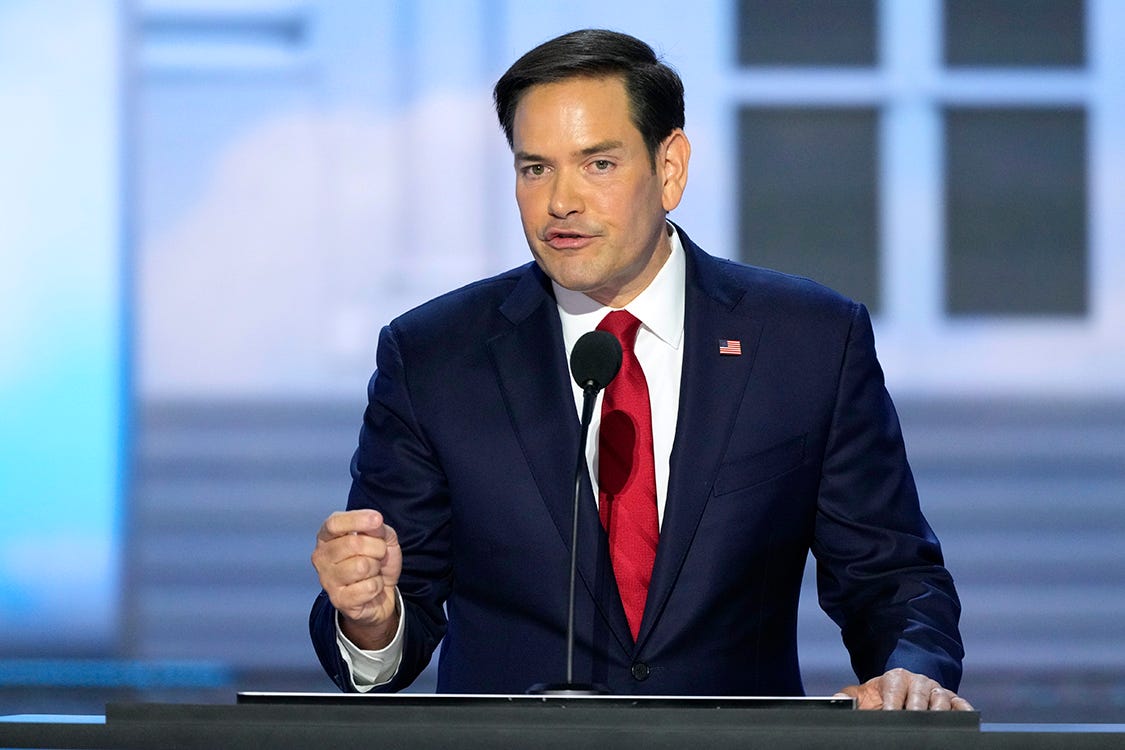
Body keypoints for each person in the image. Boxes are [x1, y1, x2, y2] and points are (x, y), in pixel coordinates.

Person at [310, 29, 971, 710]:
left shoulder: (804, 341)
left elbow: (889, 577)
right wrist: (371, 618)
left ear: (670, 168)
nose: (559, 201)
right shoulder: (433, 356)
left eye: (597, 164)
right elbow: (397, 614)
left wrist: (909, 674)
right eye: (534, 168)